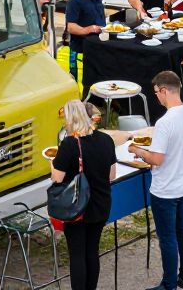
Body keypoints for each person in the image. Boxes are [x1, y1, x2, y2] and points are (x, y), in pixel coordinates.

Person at [129, 71, 183, 290]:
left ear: (163, 91)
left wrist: (138, 150)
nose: (157, 98)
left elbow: (157, 159)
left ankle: (168, 283)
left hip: (165, 188)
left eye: (157, 93)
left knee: (167, 236)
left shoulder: (165, 122)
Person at [51, 99, 117, 290]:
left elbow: (57, 178)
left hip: (77, 207)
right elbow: (111, 175)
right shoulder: (106, 140)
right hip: (101, 204)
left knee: (77, 255)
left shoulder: (70, 144)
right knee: (92, 251)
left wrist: (52, 163)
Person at [63, 0, 109, 83]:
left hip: (95, 47)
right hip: (80, 50)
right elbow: (71, 27)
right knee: (81, 81)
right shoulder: (76, 0)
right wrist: (90, 29)